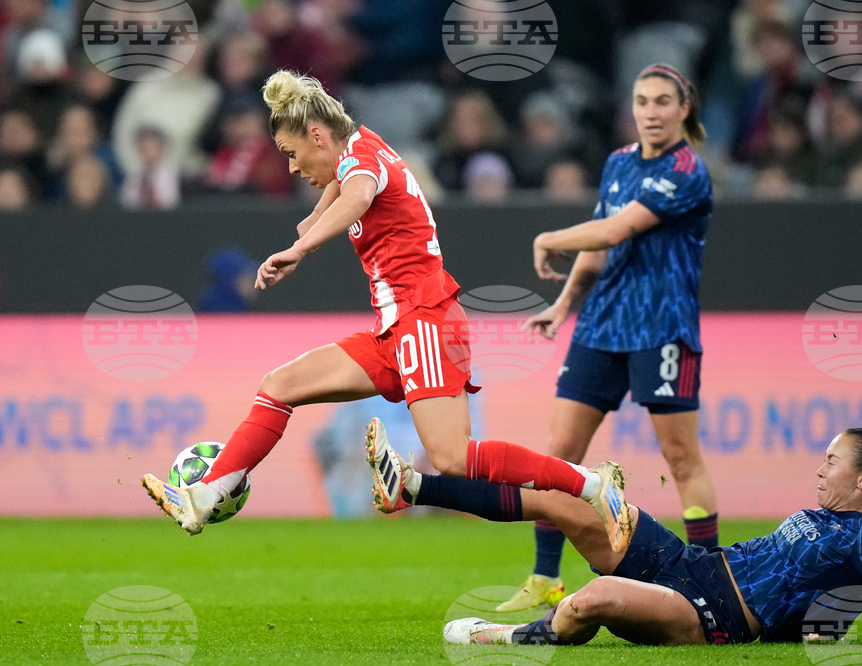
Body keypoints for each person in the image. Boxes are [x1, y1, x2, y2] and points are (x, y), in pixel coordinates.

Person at [140, 71, 631, 552]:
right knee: (279, 384)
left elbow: (356, 193)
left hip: (425, 319)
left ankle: (592, 484)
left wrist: (303, 246)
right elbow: (342, 180)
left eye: (292, 154)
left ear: (316, 135)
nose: (291, 168)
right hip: (396, 329)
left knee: (453, 456)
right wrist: (312, 215)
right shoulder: (359, 145)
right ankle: (205, 495)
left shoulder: (363, 162)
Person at [367, 427, 862, 648]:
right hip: (690, 562)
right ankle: (415, 489)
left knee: (594, 599)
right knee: (563, 502)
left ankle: (514, 638)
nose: (819, 466)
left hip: (712, 614)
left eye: (832, 461)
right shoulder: (827, 518)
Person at [499, 63, 719, 611]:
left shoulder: (688, 170)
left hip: (661, 328)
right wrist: (562, 306)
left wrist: (550, 236)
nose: (651, 112)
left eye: (662, 102)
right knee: (559, 456)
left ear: (683, 109)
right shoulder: (619, 163)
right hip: (601, 327)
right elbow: (599, 247)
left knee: (681, 458)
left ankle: (711, 583)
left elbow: (618, 229)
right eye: (642, 101)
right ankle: (545, 579)